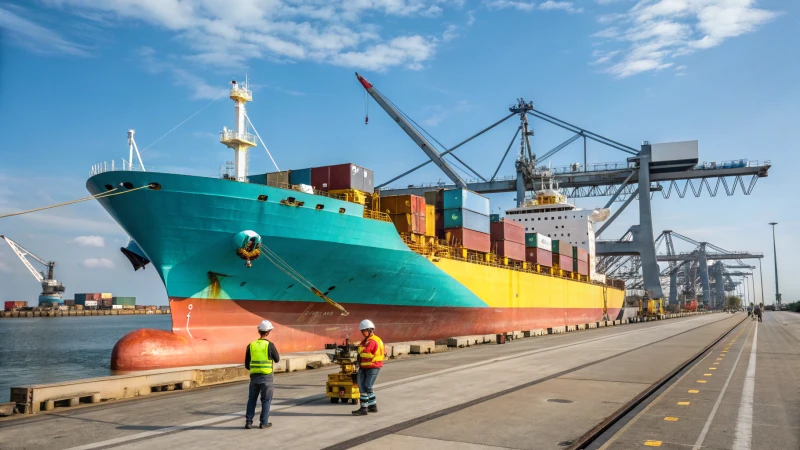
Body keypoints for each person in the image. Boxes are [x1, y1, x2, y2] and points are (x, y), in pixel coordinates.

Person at [244, 320, 280, 429]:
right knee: (266, 400)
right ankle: (263, 423)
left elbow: (247, 364)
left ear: (259, 331)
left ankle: (249, 422)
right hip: (266, 377)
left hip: (254, 377)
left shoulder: (251, 345)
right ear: (268, 332)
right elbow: (277, 359)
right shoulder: (269, 345)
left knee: (252, 399)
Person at [352, 319, 385, 416]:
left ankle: (364, 408)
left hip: (372, 366)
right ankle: (372, 406)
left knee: (365, 387)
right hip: (366, 366)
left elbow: (366, 353)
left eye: (363, 331)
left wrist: (360, 354)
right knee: (366, 387)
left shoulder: (372, 341)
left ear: (369, 330)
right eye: (362, 331)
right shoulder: (367, 340)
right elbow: (361, 351)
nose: (362, 333)